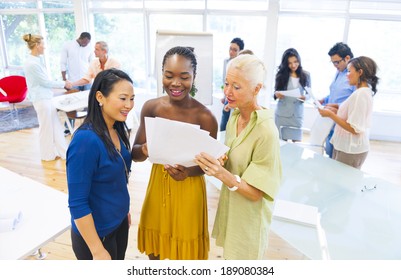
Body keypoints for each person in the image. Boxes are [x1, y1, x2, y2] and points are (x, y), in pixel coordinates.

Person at [131, 46, 218, 260]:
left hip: (189, 189)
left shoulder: (205, 117)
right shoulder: (151, 108)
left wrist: (188, 172)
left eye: (184, 77)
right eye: (169, 76)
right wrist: (144, 148)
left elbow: (209, 166)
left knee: (186, 256)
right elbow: (134, 154)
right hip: (158, 185)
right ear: (162, 74)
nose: (176, 83)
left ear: (194, 77)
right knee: (155, 251)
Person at [195, 54, 282, 260]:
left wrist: (220, 173)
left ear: (257, 89)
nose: (227, 92)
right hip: (231, 210)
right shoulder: (234, 117)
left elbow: (256, 193)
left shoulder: (266, 132)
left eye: (236, 87)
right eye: (226, 83)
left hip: (249, 220)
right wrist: (221, 159)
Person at [66, 68, 134, 260]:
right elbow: (77, 203)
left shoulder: (117, 128)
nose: (129, 105)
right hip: (96, 237)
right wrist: (96, 249)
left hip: (118, 223)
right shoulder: (85, 141)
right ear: (100, 97)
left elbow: (118, 176)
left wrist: (122, 212)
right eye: (123, 98)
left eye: (132, 98)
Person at [318, 56, 379, 169]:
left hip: (351, 149)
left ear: (360, 72)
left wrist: (331, 114)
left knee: (342, 184)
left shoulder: (360, 94)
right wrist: (336, 107)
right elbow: (351, 111)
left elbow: (354, 128)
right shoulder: (359, 92)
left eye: (349, 71)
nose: (346, 75)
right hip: (346, 147)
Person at [22, 33, 71, 161]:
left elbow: (45, 81)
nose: (44, 47)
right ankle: (47, 155)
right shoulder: (31, 64)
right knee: (46, 128)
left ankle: (64, 153)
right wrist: (64, 83)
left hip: (46, 98)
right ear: (37, 45)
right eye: (43, 44)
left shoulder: (36, 61)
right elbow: (45, 82)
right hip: (41, 99)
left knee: (55, 126)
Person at [319, 42, 355, 157]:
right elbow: (335, 93)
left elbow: (354, 102)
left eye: (337, 62)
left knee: (337, 160)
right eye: (333, 62)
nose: (335, 65)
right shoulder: (339, 72)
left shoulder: (354, 76)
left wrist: (334, 107)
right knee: (330, 155)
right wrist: (324, 100)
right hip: (331, 122)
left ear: (347, 58)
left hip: (342, 124)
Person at [273, 48, 311, 142]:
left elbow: (309, 94)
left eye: (295, 62)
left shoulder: (306, 75)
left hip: (297, 115)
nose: (293, 65)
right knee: (280, 144)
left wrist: (305, 97)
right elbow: (274, 93)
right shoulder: (281, 75)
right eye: (290, 63)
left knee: (297, 146)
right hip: (282, 115)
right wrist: (277, 94)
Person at [220, 37, 244, 131]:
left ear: (240, 51)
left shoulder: (242, 65)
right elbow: (224, 81)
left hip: (238, 98)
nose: (231, 52)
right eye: (230, 49)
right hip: (227, 96)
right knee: (224, 121)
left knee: (235, 122)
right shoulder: (226, 61)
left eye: (235, 50)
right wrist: (224, 95)